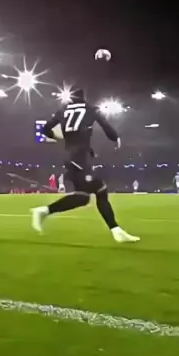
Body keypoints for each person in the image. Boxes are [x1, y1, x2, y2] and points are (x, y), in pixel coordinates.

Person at [31, 88, 139, 243]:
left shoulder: (63, 110)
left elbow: (46, 129)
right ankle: (116, 231)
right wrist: (115, 138)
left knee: (83, 198)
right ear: (84, 97)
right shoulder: (90, 109)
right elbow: (105, 126)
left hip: (70, 157)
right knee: (99, 189)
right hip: (80, 157)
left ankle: (44, 211)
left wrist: (59, 136)